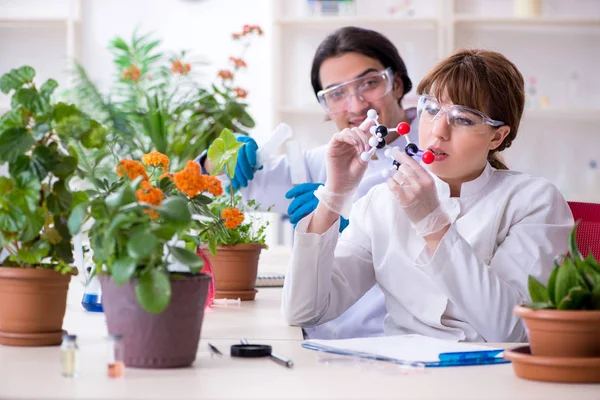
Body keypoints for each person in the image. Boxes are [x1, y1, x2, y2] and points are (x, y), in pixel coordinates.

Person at [281, 49, 574, 342]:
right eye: (431, 109)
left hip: (488, 377)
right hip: (397, 375)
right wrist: (335, 194)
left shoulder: (533, 200)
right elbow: (305, 312)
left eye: (464, 119)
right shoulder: (382, 202)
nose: (439, 131)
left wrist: (433, 224)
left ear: (497, 136)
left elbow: (513, 332)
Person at [197, 26, 418, 339]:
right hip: (325, 341)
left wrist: (352, 226)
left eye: (369, 83)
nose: (355, 106)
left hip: (408, 341)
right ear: (326, 108)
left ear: (396, 84)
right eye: (336, 94)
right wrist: (218, 156)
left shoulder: (440, 151)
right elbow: (233, 188)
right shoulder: (318, 164)